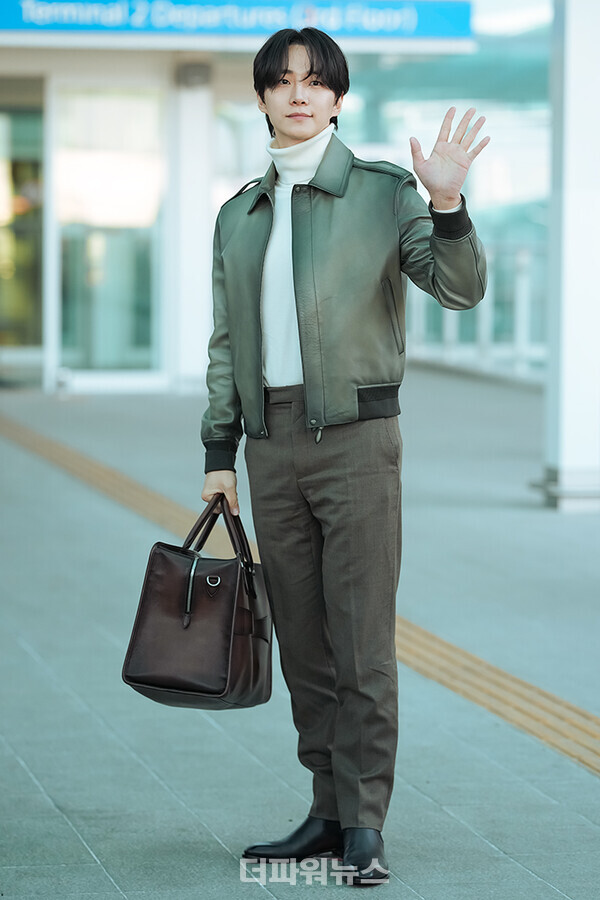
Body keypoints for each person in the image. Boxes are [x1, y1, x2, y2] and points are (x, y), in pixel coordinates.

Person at [201, 27, 489, 887]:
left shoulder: (383, 192)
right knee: (304, 642)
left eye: (315, 81)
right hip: (269, 445)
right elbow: (227, 342)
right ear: (260, 98)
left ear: (337, 96)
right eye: (282, 82)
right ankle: (325, 810)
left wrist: (447, 206)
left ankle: (365, 823)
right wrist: (220, 450)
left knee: (362, 642)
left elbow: (460, 287)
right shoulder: (239, 214)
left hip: (359, 440)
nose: (298, 94)